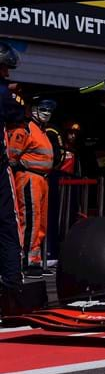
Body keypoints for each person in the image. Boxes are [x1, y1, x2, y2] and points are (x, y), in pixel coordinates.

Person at [8, 98, 56, 278]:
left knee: (40, 222)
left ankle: (34, 260)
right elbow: (12, 157)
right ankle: (25, 261)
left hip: (42, 180)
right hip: (29, 177)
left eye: (49, 110)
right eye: (43, 109)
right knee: (29, 219)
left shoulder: (42, 131)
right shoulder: (25, 128)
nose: (46, 113)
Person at [0, 43, 26, 294]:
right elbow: (18, 114)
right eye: (5, 68)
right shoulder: (6, 95)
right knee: (8, 224)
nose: (8, 73)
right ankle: (11, 284)